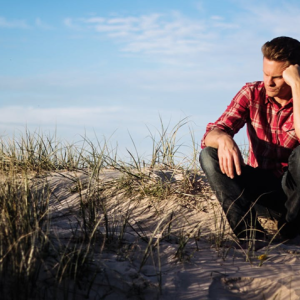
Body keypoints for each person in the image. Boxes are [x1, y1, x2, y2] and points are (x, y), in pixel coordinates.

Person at [199, 36, 300, 249]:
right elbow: (210, 134)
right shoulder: (252, 93)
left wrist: (298, 85)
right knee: (209, 154)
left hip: (296, 195)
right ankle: (250, 236)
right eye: (265, 74)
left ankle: (291, 232)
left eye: (278, 77)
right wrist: (224, 138)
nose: (269, 82)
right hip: (262, 189)